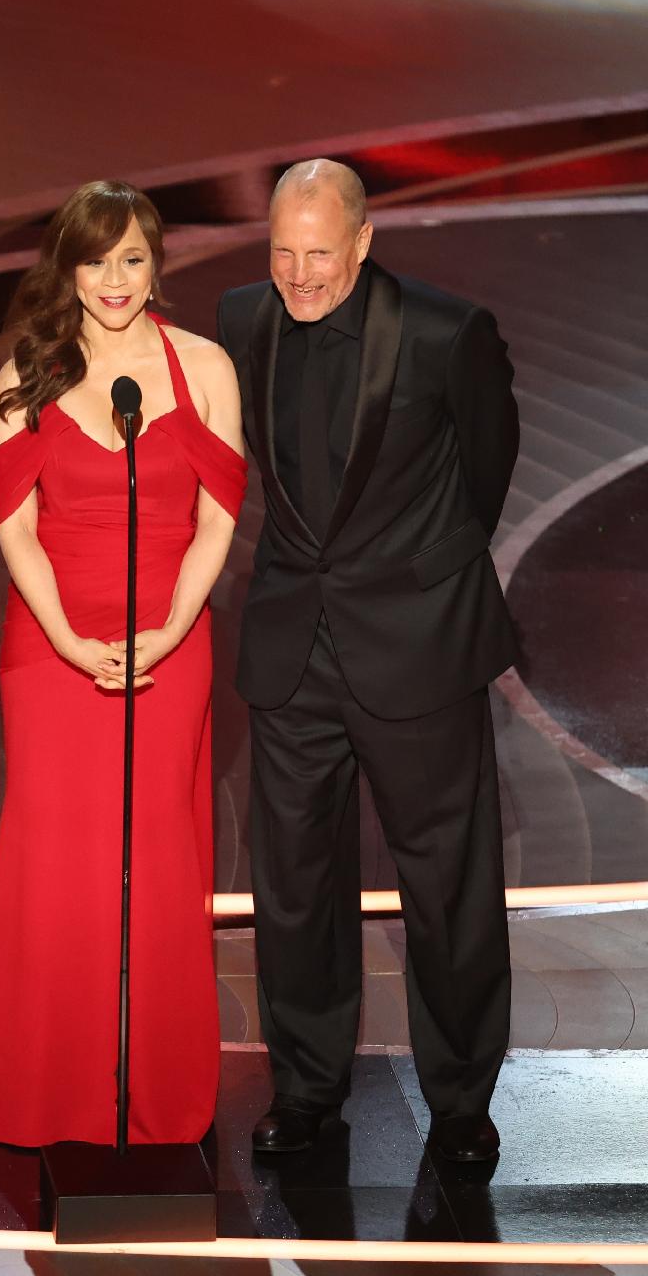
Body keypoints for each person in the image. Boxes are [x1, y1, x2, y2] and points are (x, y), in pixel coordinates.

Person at [0, 181, 246, 1146]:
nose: (115, 281)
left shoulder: (205, 366)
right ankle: (46, 1077)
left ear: (156, 263)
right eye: (97, 261)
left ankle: (154, 1079)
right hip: (53, 650)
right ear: (69, 267)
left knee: (159, 853)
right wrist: (65, 638)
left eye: (133, 259)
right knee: (59, 860)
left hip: (169, 644)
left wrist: (172, 629)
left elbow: (219, 516)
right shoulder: (28, 370)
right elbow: (15, 528)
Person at [214, 160, 520, 1163]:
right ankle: (306, 1094)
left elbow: (487, 468)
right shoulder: (242, 320)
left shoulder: (445, 332)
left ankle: (464, 1107)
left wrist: (416, 578)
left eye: (320, 255)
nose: (299, 276)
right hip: (291, 647)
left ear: (362, 242)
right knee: (294, 887)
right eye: (283, 253)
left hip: (418, 646)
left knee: (449, 889)